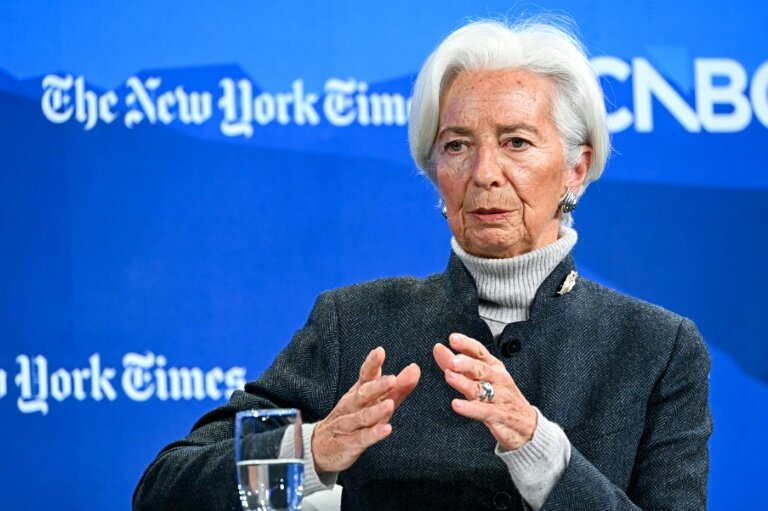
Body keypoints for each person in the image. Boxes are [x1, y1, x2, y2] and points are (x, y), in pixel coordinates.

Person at [134, 17, 712, 511]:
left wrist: (544, 454)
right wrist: (311, 451)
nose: (485, 172)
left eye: (515, 141)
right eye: (457, 145)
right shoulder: (355, 325)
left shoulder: (656, 348)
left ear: (576, 170)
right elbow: (164, 490)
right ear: (434, 170)